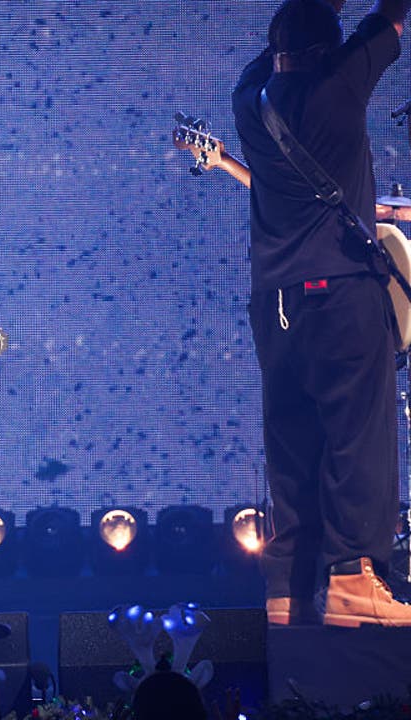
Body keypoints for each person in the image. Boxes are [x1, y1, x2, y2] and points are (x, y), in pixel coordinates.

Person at [231, 0, 410, 626]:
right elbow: (392, 17)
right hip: (341, 294)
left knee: (290, 445)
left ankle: (288, 589)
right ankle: (353, 580)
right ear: (327, 51)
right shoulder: (339, 86)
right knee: (357, 439)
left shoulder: (249, 100)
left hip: (274, 304)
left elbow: (303, 43)